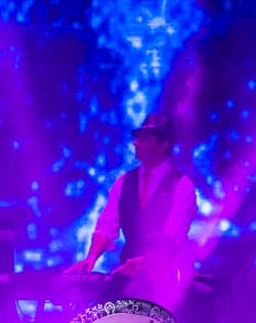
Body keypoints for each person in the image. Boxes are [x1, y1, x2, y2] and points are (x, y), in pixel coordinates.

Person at [70, 113, 198, 274]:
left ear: (164, 144)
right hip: (128, 273)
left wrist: (147, 262)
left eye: (144, 138)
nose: (135, 143)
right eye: (137, 138)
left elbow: (173, 235)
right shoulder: (124, 182)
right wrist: (92, 257)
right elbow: (107, 225)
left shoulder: (182, 185)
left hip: (168, 279)